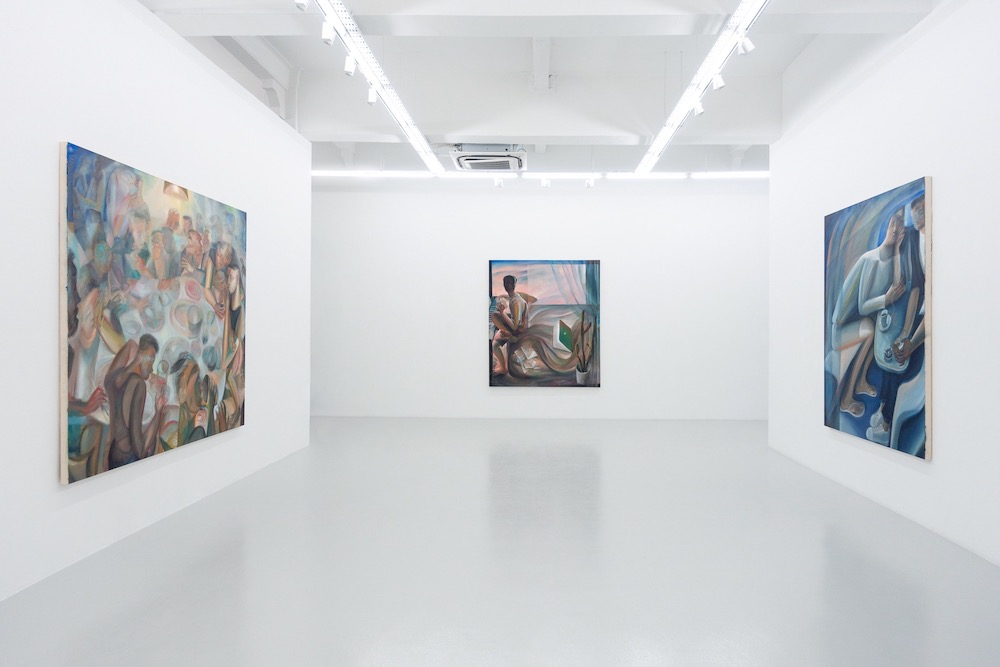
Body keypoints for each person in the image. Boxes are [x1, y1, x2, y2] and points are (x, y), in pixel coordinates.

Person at [830, 209, 907, 417]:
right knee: (871, 329)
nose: (896, 228)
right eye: (893, 223)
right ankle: (846, 398)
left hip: (861, 322)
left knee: (877, 328)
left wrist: (897, 250)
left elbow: (897, 287)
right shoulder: (871, 259)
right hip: (842, 329)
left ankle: (861, 382)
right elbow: (863, 306)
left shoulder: (891, 260)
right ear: (887, 226)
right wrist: (886, 299)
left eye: (900, 224)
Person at [105, 334, 167, 469]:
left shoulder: (113, 378)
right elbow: (140, 450)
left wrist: (145, 369)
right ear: (140, 355)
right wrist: (158, 412)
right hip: (127, 461)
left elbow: (129, 345)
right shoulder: (138, 385)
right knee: (158, 441)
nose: (151, 368)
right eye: (151, 359)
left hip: (113, 456)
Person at [491, 275, 528, 376]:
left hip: (519, 330)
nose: (507, 286)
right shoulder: (514, 297)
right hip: (518, 325)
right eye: (506, 283)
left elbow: (515, 326)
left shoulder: (516, 302)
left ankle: (503, 368)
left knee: (495, 345)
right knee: (494, 315)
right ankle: (507, 333)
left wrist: (502, 313)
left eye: (508, 284)